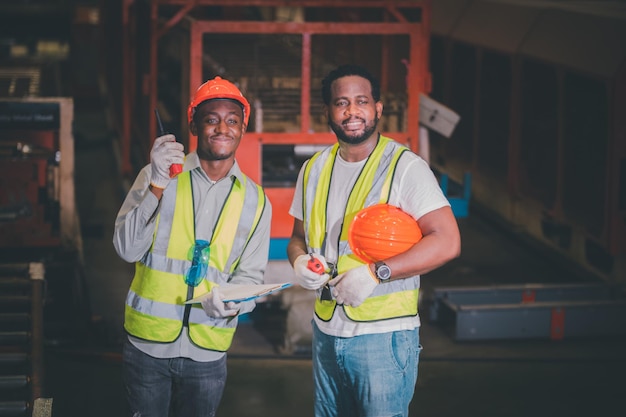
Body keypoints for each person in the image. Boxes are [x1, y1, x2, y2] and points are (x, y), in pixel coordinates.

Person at [287, 64, 461, 417]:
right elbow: (297, 238)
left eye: (362, 101)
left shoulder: (404, 167)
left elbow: (447, 241)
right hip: (325, 331)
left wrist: (375, 273)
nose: (352, 111)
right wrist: (299, 261)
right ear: (328, 112)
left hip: (383, 337)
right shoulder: (313, 170)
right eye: (342, 102)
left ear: (378, 108)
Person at [113, 76, 271, 417]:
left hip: (208, 352)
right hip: (148, 346)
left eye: (232, 120)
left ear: (243, 128)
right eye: (211, 119)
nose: (222, 128)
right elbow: (126, 249)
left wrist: (234, 305)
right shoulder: (158, 175)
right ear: (194, 125)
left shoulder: (256, 201)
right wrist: (156, 183)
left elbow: (251, 278)